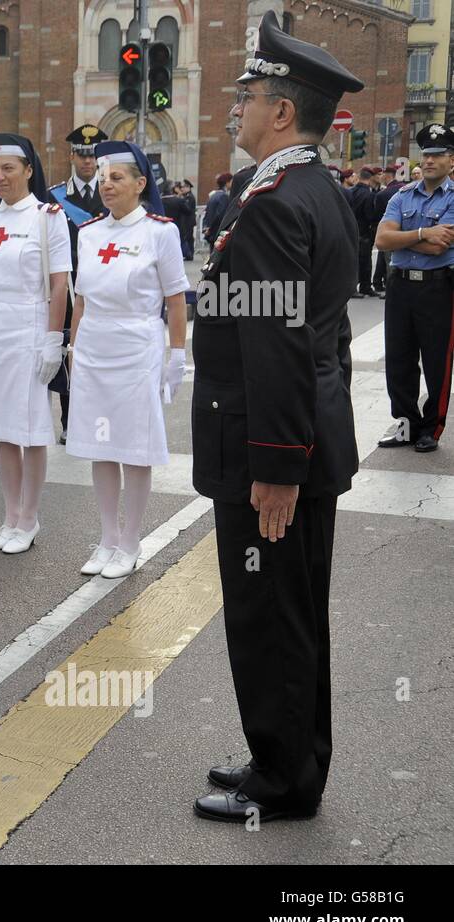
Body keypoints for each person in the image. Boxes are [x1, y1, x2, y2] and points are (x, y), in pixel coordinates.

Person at [191, 11, 362, 824]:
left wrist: (277, 466)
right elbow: (329, 337)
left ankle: (283, 781)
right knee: (292, 613)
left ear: (284, 111)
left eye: (249, 96)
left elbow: (280, 345)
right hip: (306, 436)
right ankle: (286, 754)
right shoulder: (316, 189)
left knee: (270, 617)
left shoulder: (270, 202)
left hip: (271, 449)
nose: (238, 107)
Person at [67, 140, 189, 579]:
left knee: (134, 448)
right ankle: (107, 537)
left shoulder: (160, 232)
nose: (107, 185)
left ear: (140, 184)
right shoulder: (89, 233)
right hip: (95, 346)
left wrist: (177, 355)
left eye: (117, 178)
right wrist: (74, 348)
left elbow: (175, 299)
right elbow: (81, 300)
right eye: (103, 178)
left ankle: (131, 540)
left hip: (138, 346)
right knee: (100, 446)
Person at [0, 133, 71, 553]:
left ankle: (29, 517)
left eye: (8, 168)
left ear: (28, 170)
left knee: (30, 429)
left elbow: (58, 284)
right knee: (2, 428)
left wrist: (53, 339)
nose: (0, 177)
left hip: (29, 326)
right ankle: (10, 515)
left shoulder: (47, 217)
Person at [375, 122, 454, 453]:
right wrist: (423, 233)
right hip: (400, 287)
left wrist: (403, 238)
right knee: (399, 360)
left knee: (437, 362)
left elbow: (440, 247)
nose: (430, 160)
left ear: (452, 160)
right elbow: (382, 240)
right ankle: (406, 424)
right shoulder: (402, 195)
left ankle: (430, 428)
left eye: (438, 154)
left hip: (437, 289)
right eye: (426, 154)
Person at [48, 125, 110, 446]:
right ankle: (69, 420)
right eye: (82, 155)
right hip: (70, 288)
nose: (88, 161)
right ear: (72, 156)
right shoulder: (55, 197)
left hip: (104, 286)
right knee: (68, 351)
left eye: (93, 155)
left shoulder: (112, 193)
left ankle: (99, 419)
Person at [371, 163, 402, 296]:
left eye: (382, 174)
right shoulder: (404, 189)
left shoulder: (382, 195)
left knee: (389, 262)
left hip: (388, 232)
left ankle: (389, 289)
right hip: (404, 233)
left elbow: (377, 217)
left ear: (387, 175)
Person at [348, 167, 380, 297]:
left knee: (352, 261)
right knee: (365, 261)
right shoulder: (369, 194)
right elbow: (370, 215)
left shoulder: (351, 191)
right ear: (370, 178)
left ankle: (352, 287)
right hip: (364, 232)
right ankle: (365, 286)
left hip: (351, 230)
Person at [202, 172, 232, 247]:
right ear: (227, 183)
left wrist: (206, 227)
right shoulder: (223, 196)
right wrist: (211, 229)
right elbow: (220, 215)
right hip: (217, 232)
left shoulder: (213, 195)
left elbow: (207, 213)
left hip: (211, 232)